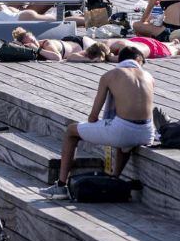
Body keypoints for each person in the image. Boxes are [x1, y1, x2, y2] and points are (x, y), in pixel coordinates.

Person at [51, 48, 154, 192]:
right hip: (147, 133)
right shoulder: (149, 76)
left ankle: (61, 186)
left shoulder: (110, 76)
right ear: (138, 60)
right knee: (122, 129)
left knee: (71, 131)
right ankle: (115, 177)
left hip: (123, 132)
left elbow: (93, 117)